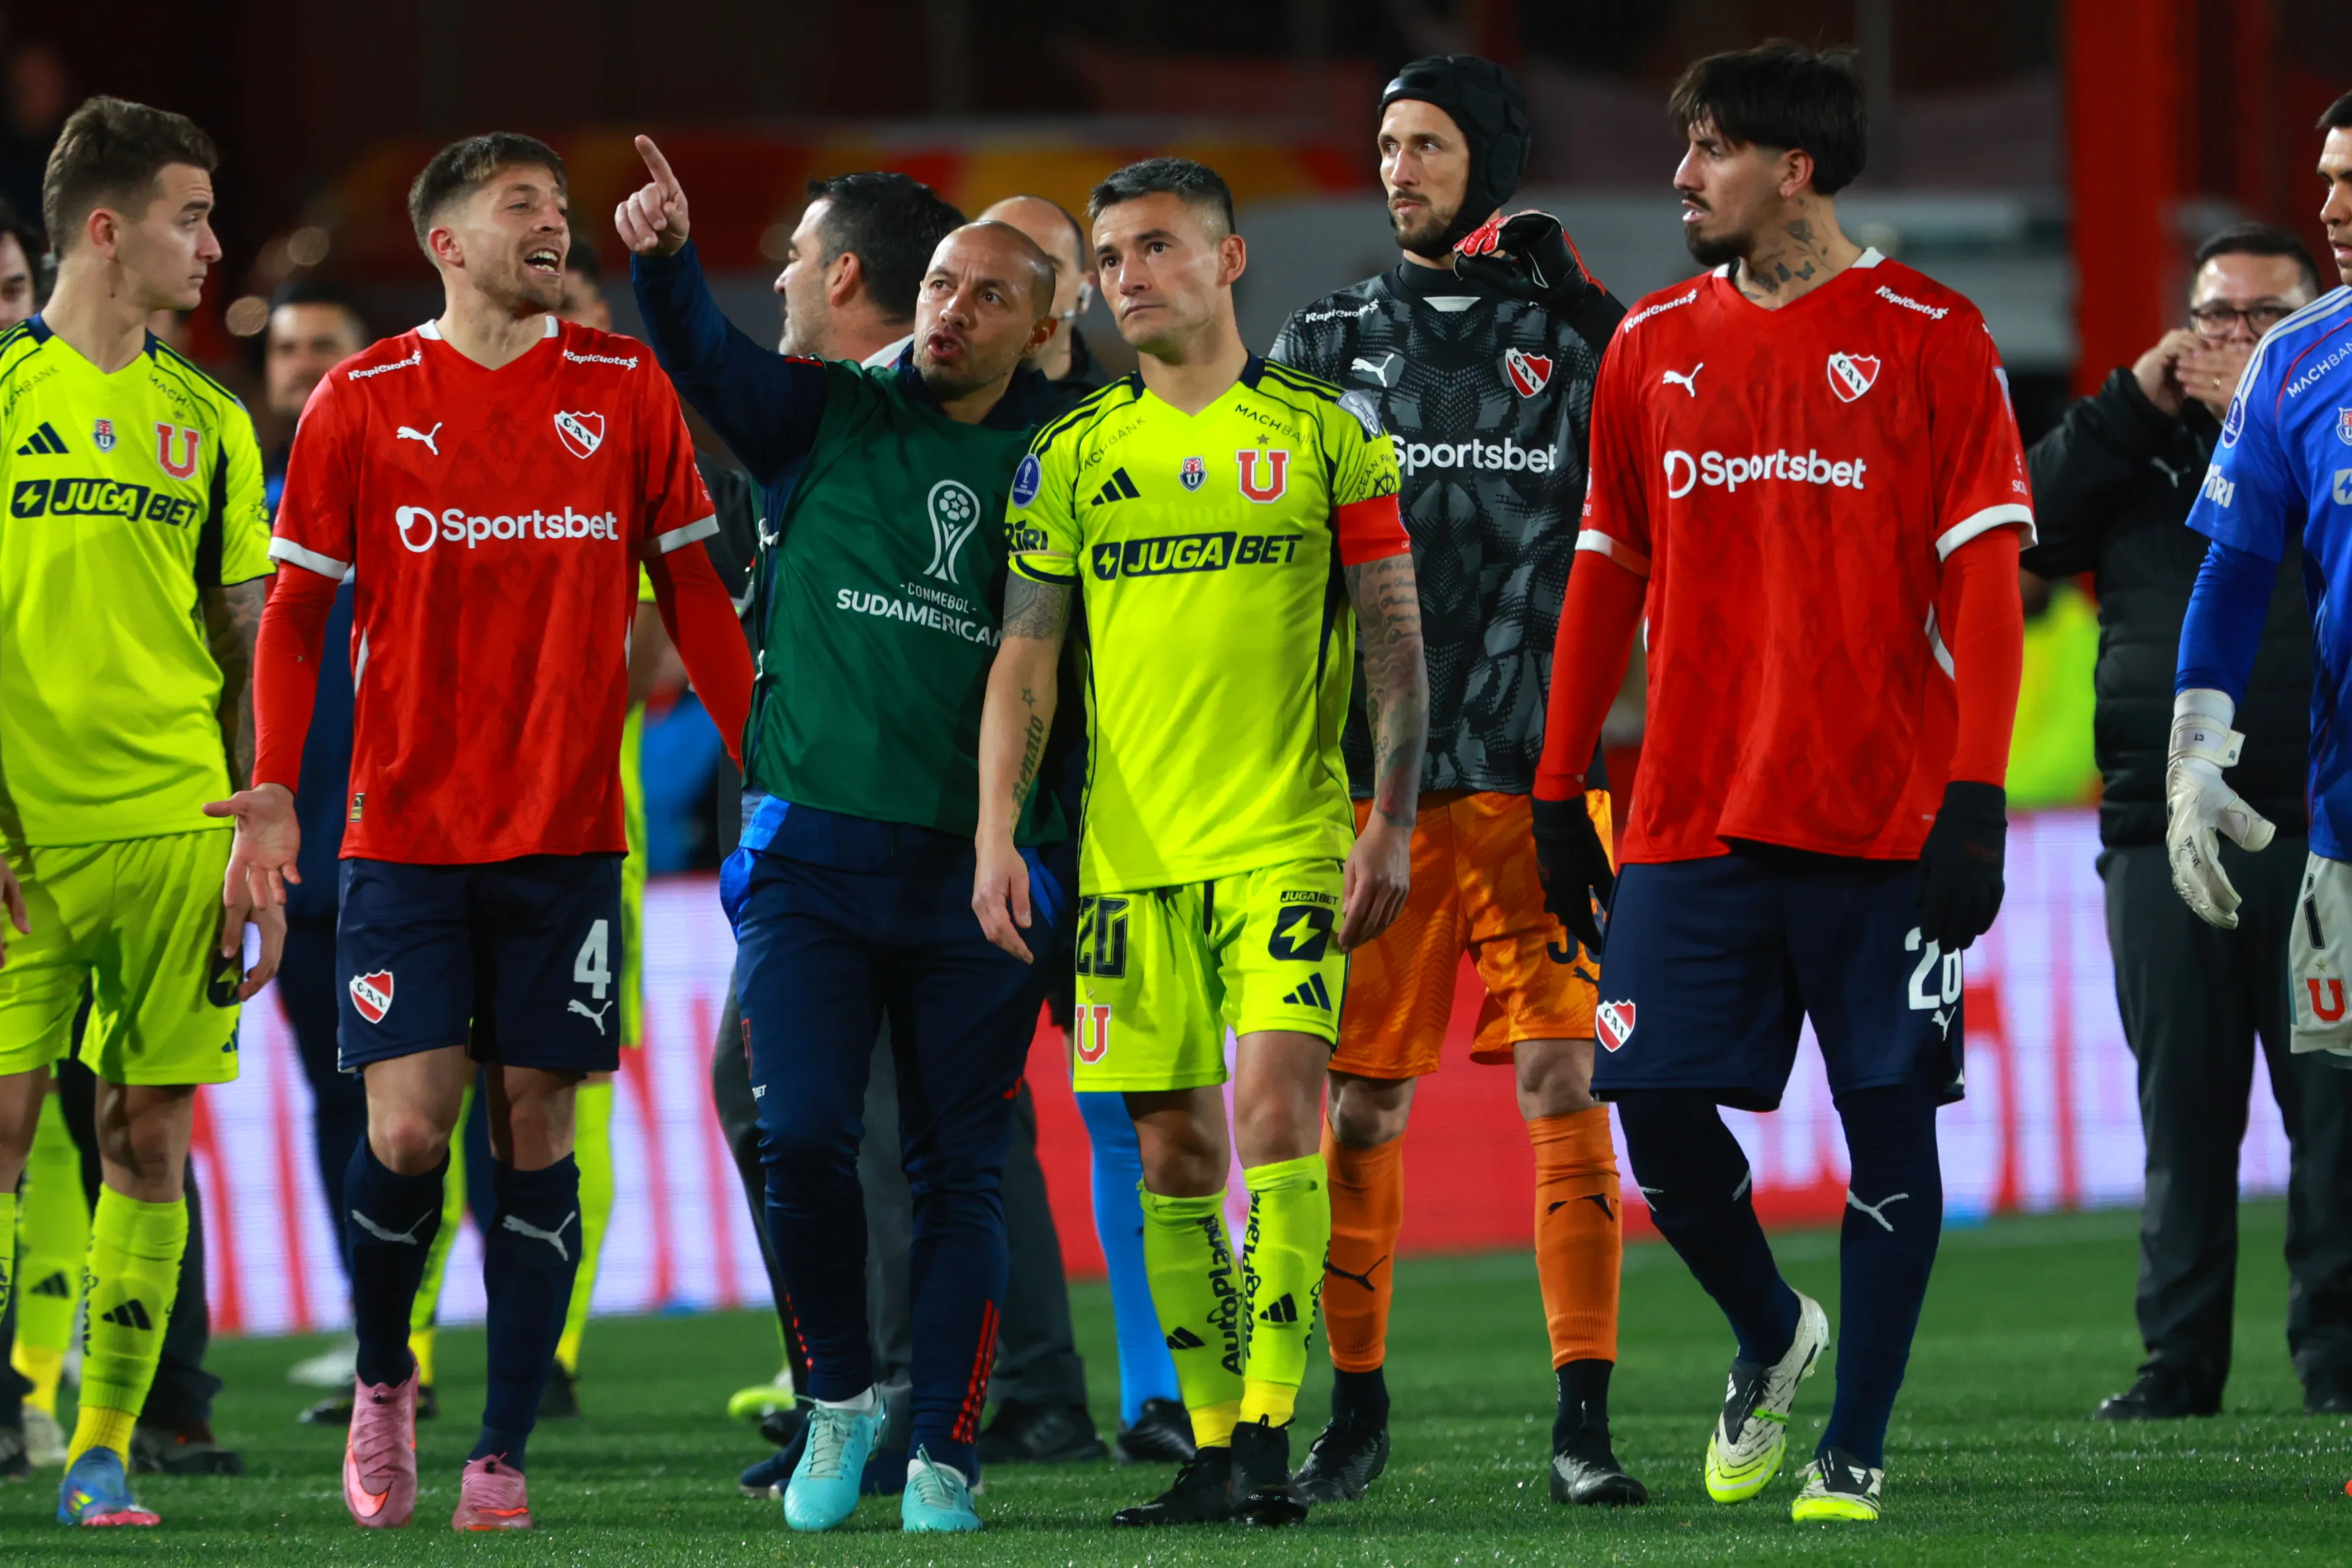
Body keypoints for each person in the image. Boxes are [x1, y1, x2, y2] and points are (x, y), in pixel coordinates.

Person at [211, 131, 754, 1534]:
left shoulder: (625, 387)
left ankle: (502, 1448)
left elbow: (693, 597)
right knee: (405, 1128)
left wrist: (766, 757)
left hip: (567, 837)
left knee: (536, 1123)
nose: (554, 227)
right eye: (522, 208)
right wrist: (276, 784)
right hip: (401, 834)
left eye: (562, 211)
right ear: (446, 243)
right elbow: (298, 618)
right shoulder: (362, 399)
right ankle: (388, 1377)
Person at [1532, 44, 2030, 1524]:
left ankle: (1854, 1448)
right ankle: (1769, 1331)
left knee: (1890, 1117)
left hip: (1880, 814)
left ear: (1792, 169)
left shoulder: (1935, 336)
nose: (1680, 177)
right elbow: (1603, 574)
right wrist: (1561, 790)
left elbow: (1989, 586)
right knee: (1652, 1108)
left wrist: (1977, 792)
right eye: (1683, 148)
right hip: (1689, 811)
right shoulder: (1649, 345)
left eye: (1710, 151)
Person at [621, 134, 1072, 1535]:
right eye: (938, 283)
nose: (950, 309)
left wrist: (1035, 848)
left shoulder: (1062, 464)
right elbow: (703, 354)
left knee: (955, 1163)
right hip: (810, 856)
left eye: (987, 296)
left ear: (1044, 333)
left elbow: (1055, 668)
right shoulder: (819, 412)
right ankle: (839, 1400)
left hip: (972, 867)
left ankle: (948, 1445)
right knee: (799, 1131)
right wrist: (663, 259)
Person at [975, 156, 1429, 1527]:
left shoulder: (1325, 436)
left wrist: (1387, 819)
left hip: (1284, 843)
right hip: (1126, 864)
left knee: (1275, 1115)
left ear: (1230, 263)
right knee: (1169, 1152)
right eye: (1110, 258)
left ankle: (1279, 1434)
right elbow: (1026, 663)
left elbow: (1398, 649)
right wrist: (999, 833)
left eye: (1159, 248)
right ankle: (1217, 1442)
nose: (1130, 278)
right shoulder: (1070, 458)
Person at [1266, 52, 1641, 1507]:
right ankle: (1354, 1412)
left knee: (1565, 1075)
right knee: (1358, 1110)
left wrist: (1594, 304)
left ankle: (1583, 1423)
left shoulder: (1574, 335)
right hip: (1371, 803)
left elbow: (1684, 401)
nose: (1396, 169)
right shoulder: (1326, 337)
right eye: (1384, 145)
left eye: (1425, 145)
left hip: (1541, 788)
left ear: (1488, 163)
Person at [0, 96, 281, 1528]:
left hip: (180, 832)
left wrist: (261, 824)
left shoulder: (211, 424)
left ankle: (103, 1449)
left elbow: (250, 647)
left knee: (144, 1139)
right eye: (190, 216)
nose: (212, 244)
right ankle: (18, 1411)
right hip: (18, 846)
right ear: (107, 230)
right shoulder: (0, 399)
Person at [2027, 222, 2352, 1420]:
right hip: (2157, 830)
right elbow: (2027, 530)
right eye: (2213, 316)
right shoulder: (2136, 450)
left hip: (2321, 823)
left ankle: (2335, 1358)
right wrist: (2128, 400)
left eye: (2262, 320)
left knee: (2335, 1113)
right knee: (2181, 1114)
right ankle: (2177, 1366)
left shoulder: (2329, 426)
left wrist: (2255, 417)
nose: (2231, 340)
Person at [2167, 94, 2352, 1446]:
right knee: (2341, 1138)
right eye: (2328, 180)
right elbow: (2232, 573)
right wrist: (2194, 752)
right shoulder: (2298, 363)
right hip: (2345, 837)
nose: (2334, 206)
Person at [248, 282, 378, 1402]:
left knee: (461, 1100)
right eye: (286, 350)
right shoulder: (243, 499)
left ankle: (538, 1357)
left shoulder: (396, 489)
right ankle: (373, 1324)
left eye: (323, 348)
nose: (299, 367)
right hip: (299, 859)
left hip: (401, 846)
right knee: (336, 1098)